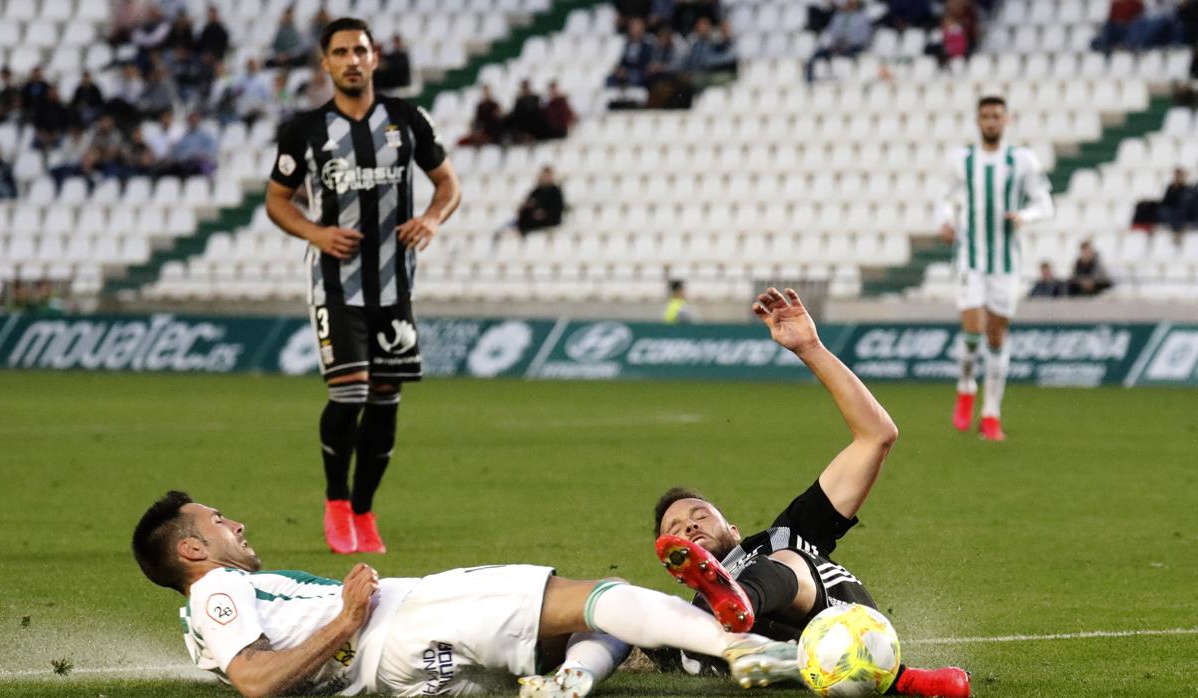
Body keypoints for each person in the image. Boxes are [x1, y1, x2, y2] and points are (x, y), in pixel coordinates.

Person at [132, 490, 800, 697]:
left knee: (578, 630)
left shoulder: (211, 612)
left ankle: (571, 676)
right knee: (602, 595)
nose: (236, 524)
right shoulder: (218, 587)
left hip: (410, 673)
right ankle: (739, 645)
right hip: (402, 622)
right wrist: (346, 619)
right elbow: (254, 680)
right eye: (218, 522)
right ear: (192, 550)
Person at [648, 287, 971, 698]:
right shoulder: (688, 616)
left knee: (783, 559)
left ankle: (740, 597)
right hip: (780, 659)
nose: (689, 523)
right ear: (674, 565)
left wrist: (811, 348)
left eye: (698, 513)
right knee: (667, 624)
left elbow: (876, 436)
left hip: (847, 628)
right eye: (675, 528)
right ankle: (902, 681)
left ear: (732, 526)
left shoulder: (781, 535)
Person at [266, 18, 463, 555]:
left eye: (360, 50)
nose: (352, 60)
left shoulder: (406, 118)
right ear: (325, 64)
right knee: (348, 391)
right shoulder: (304, 129)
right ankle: (335, 501)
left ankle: (364, 510)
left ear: (375, 58)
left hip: (394, 288)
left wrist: (431, 219)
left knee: (384, 400)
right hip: (335, 285)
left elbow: (448, 184)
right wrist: (316, 233)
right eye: (340, 52)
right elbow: (277, 199)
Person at [936, 95, 1053, 441]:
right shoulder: (962, 161)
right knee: (972, 333)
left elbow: (1045, 203)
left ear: (1007, 120)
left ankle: (991, 414)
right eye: (986, 116)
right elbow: (944, 197)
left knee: (997, 336)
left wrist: (1024, 216)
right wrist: (945, 221)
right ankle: (966, 383)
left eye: (997, 116)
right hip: (971, 258)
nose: (991, 122)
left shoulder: (1022, 161)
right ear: (978, 120)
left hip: (1005, 263)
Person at [516, 165, 565, 233]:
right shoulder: (537, 191)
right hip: (535, 218)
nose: (546, 178)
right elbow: (528, 203)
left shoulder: (556, 191)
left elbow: (558, 207)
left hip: (549, 219)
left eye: (548, 176)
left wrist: (544, 214)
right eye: (545, 175)